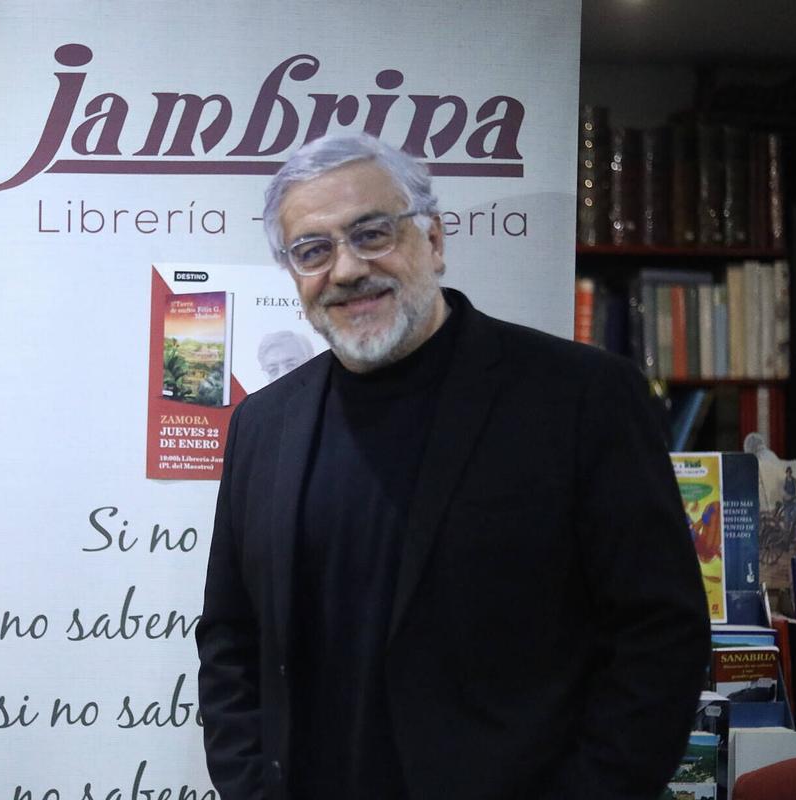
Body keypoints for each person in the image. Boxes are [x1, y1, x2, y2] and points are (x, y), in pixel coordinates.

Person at [196, 133, 710, 800]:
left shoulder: (583, 397)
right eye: (313, 251)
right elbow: (231, 638)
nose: (347, 269)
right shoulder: (262, 426)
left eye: (372, 233)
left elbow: (659, 636)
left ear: (434, 239)